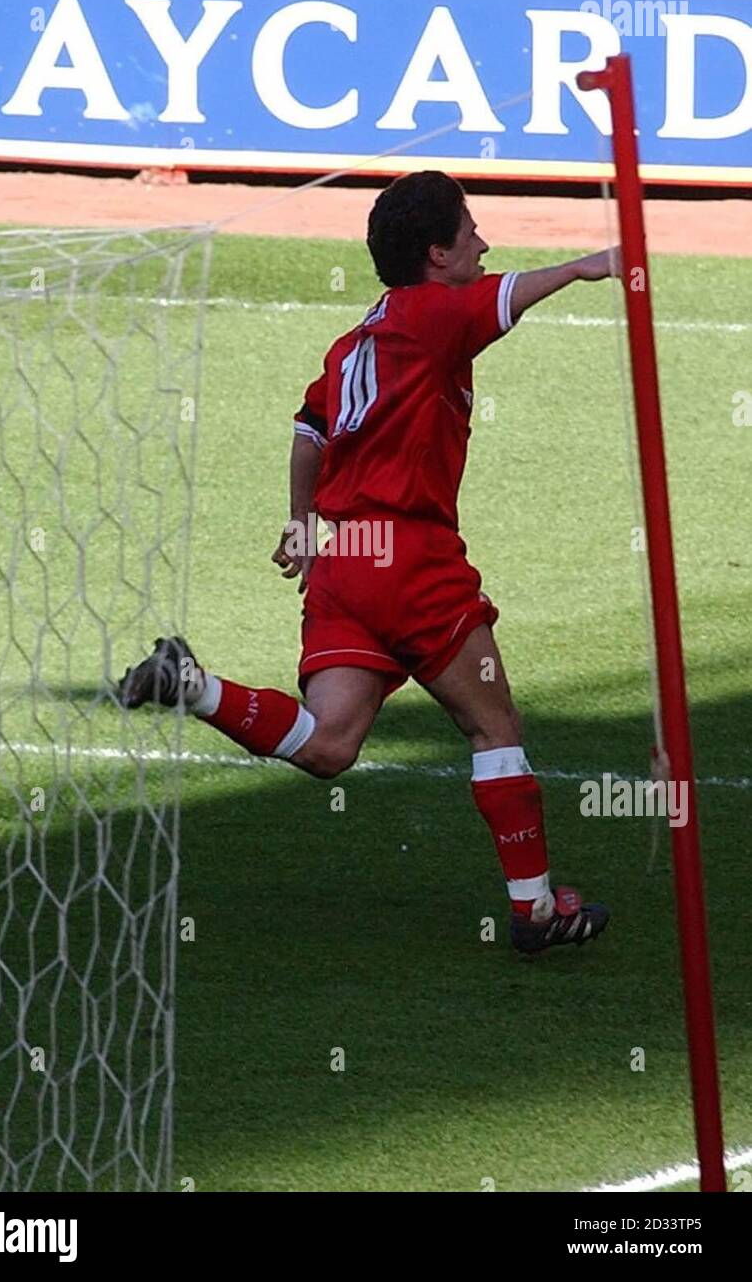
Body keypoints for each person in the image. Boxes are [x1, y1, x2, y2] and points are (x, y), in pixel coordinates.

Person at [119, 171, 621, 954]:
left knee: (329, 746)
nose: (484, 246)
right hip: (407, 558)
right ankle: (535, 910)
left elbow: (310, 429)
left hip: (345, 558)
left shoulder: (356, 339)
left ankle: (192, 684)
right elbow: (507, 297)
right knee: (493, 725)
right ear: (436, 255)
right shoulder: (432, 315)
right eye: (470, 234)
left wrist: (301, 521)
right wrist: (587, 267)